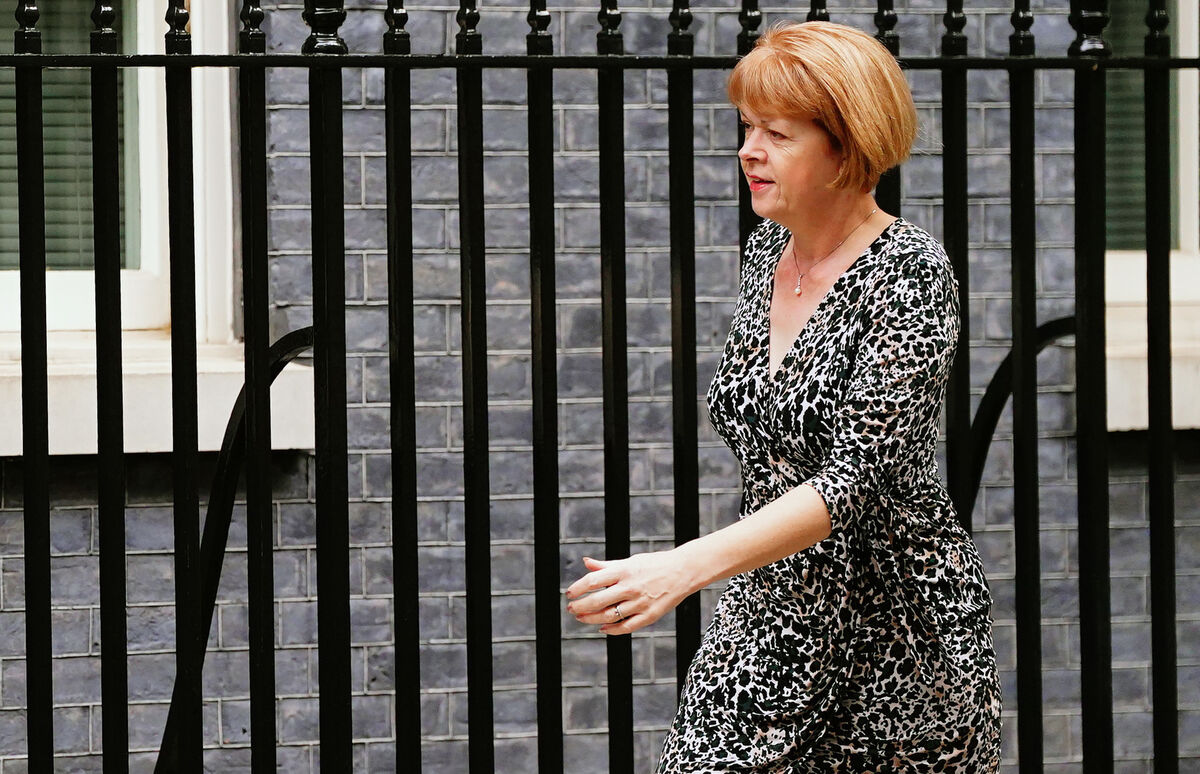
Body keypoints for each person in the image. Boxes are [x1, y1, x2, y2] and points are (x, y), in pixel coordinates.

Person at [564, 20, 1002, 772]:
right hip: (771, 614)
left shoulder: (911, 273)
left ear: (846, 146)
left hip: (894, 630)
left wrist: (683, 566)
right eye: (747, 127)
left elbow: (856, 478)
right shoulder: (768, 250)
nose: (749, 150)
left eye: (777, 133)